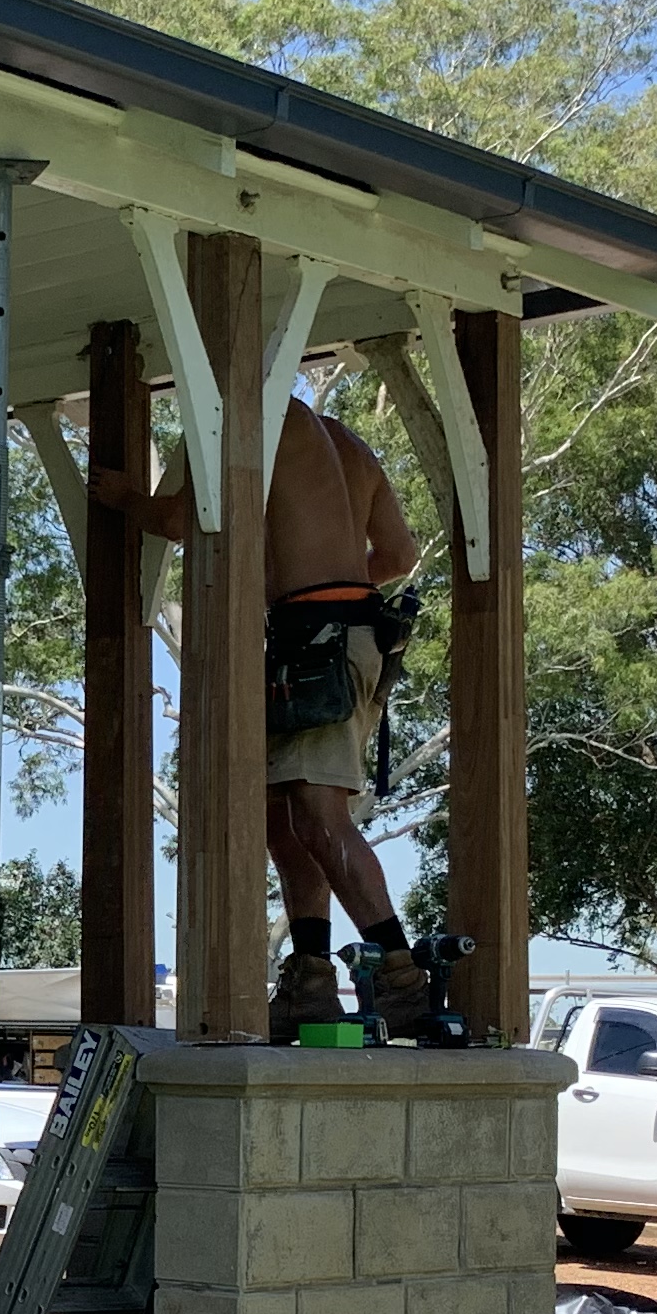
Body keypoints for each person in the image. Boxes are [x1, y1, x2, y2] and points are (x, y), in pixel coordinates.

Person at [255, 397, 429, 1038]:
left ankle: (402, 979)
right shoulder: (352, 447)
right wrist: (343, 572)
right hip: (348, 637)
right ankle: (310, 981)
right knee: (289, 825)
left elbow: (184, 516)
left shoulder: (272, 424)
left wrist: (128, 498)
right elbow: (400, 553)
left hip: (316, 645)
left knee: (322, 823)